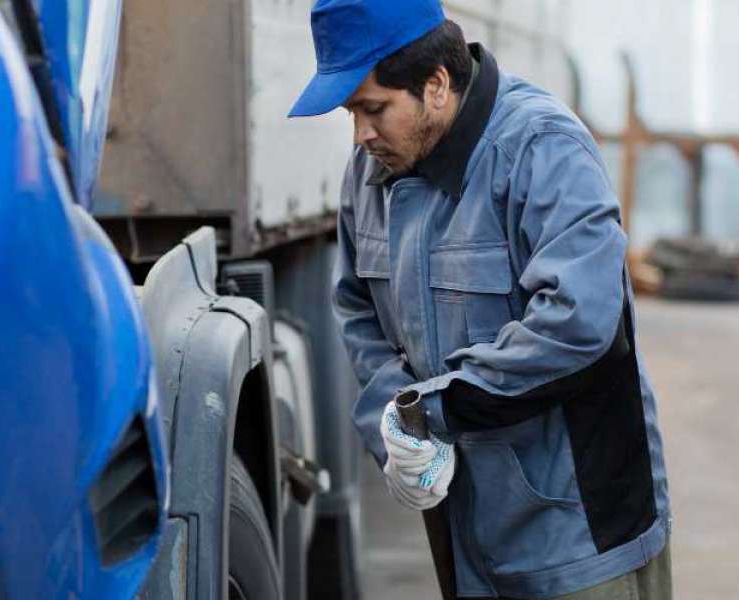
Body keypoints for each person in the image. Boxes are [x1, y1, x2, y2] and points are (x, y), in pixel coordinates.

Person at [287, 1, 673, 598]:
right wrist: (394, 425)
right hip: (464, 532)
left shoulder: (541, 147)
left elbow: (579, 325)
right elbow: (358, 309)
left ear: (436, 84)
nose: (361, 134)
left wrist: (427, 411)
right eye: (350, 114)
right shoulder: (369, 173)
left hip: (576, 535)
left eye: (373, 109)